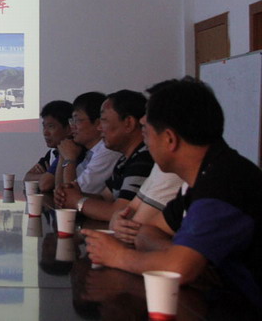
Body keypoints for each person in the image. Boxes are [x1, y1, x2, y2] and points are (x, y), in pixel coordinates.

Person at [83, 77, 262, 312]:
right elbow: (146, 232)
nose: (144, 141)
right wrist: (177, 255)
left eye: (146, 131)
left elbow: (179, 270)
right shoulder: (203, 176)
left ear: (169, 139)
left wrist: (118, 256)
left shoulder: (224, 182)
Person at [55, 90, 153, 221]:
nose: (100, 128)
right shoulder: (124, 160)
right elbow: (105, 198)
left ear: (129, 123)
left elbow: (120, 212)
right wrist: (71, 194)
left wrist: (77, 201)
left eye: (104, 120)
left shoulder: (144, 159)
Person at [54, 92, 121, 192]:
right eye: (72, 121)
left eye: (77, 120)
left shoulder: (107, 151)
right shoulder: (90, 152)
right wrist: (63, 156)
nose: (72, 126)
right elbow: (58, 189)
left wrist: (70, 159)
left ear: (98, 123)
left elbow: (71, 194)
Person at [108, 163, 182, 245]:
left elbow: (136, 229)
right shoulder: (159, 166)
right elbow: (128, 211)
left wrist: (118, 226)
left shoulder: (173, 169)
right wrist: (116, 219)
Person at [24, 100, 73, 192]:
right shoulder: (52, 153)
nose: (45, 132)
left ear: (69, 128)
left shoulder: (73, 152)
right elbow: (27, 178)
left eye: (51, 126)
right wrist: (46, 175)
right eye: (44, 126)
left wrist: (47, 176)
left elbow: (45, 184)